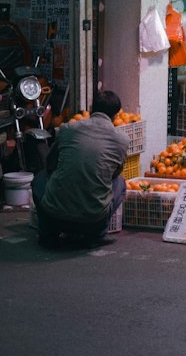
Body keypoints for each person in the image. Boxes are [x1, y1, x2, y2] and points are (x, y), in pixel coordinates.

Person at [32, 88, 128, 248]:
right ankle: (98, 235)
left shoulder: (67, 129)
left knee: (39, 179)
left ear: (91, 108)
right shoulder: (121, 140)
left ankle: (47, 234)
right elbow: (114, 174)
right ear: (116, 115)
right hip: (92, 220)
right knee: (120, 183)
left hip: (55, 216)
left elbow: (50, 164)